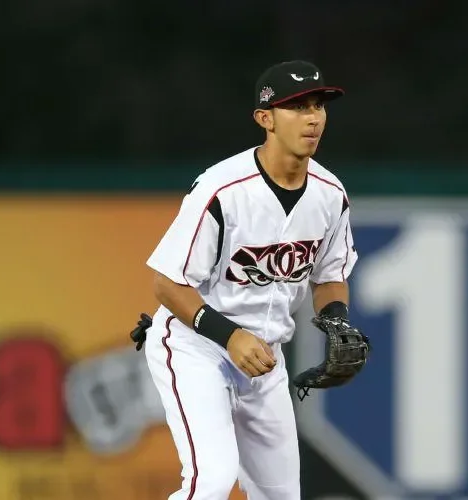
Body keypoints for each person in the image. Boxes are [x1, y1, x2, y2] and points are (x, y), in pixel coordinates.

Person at [139, 60, 359, 500]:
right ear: (266, 119)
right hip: (195, 348)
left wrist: (337, 320)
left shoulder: (330, 194)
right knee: (212, 482)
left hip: (265, 359)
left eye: (319, 105)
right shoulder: (223, 189)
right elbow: (166, 283)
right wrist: (229, 335)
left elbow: (330, 276)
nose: (313, 117)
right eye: (297, 107)